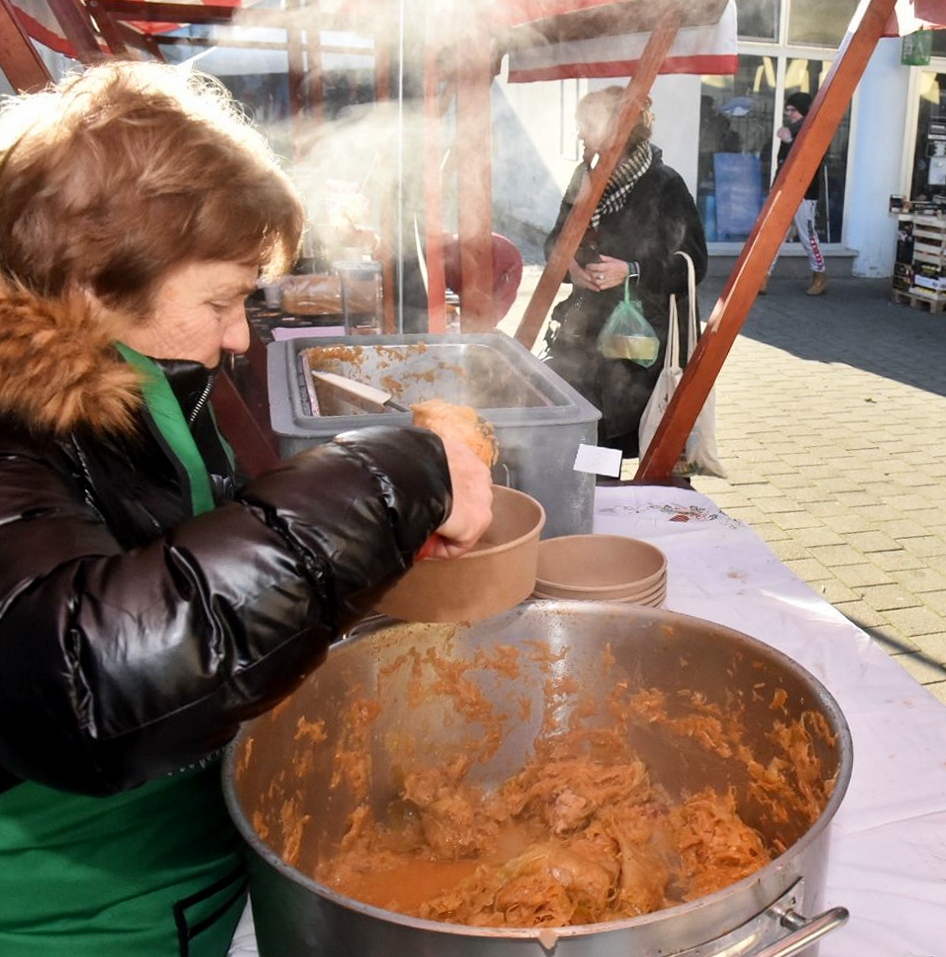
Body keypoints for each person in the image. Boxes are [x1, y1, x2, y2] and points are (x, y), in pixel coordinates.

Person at [0, 61, 494, 956]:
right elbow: (77, 679)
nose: (238, 335)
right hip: (67, 925)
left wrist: (357, 550)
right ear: (88, 280)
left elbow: (182, 570)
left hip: (191, 886)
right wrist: (394, 476)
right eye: (220, 301)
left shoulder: (137, 369)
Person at [542, 86, 707, 459]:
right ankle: (592, 498)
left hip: (638, 343)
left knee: (615, 438)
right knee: (585, 432)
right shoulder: (584, 178)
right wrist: (569, 265)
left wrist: (631, 271)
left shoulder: (665, 185)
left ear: (618, 129)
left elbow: (693, 263)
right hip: (583, 334)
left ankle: (610, 503)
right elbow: (555, 240)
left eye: (587, 125)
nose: (581, 134)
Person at [765, 91, 827, 297]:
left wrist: (790, 141)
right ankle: (762, 275)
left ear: (802, 111)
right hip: (785, 189)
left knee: (807, 235)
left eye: (793, 110)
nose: (789, 114)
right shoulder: (791, 130)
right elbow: (782, 163)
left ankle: (819, 275)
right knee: (774, 234)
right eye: (788, 110)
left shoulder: (814, 131)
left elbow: (807, 159)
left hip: (804, 192)